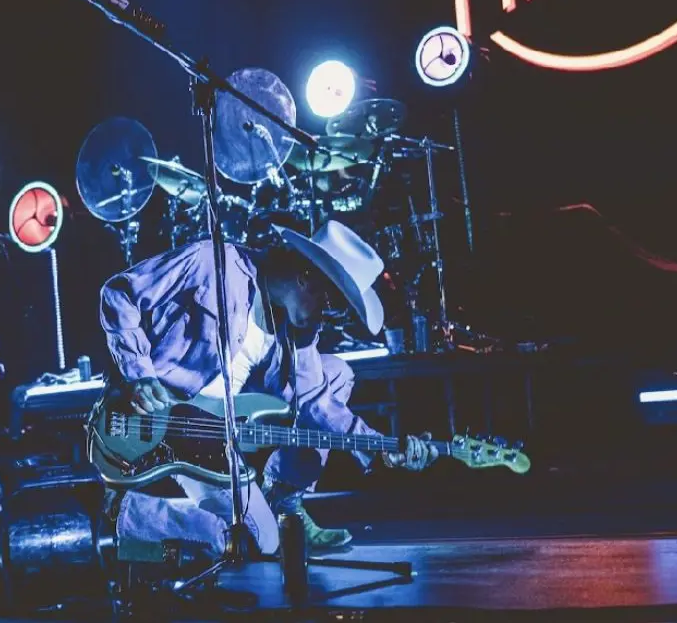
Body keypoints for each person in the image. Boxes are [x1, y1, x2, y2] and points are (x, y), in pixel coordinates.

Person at [90, 220, 436, 556]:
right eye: (330, 304)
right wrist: (139, 373)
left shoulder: (297, 331)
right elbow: (119, 294)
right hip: (161, 424)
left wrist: (383, 447)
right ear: (306, 278)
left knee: (335, 373)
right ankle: (124, 511)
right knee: (260, 542)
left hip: (219, 431)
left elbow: (317, 400)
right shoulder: (212, 264)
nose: (326, 318)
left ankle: (282, 502)